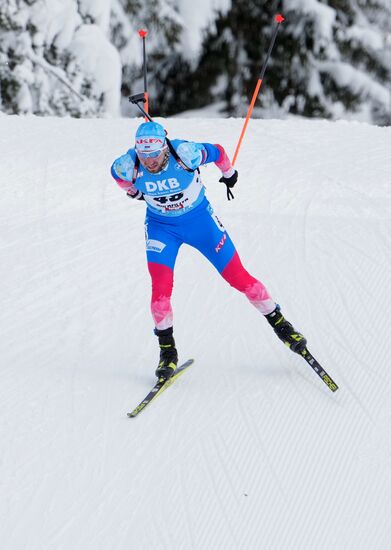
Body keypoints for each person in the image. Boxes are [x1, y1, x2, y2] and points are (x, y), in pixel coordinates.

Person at [111, 121, 307, 380]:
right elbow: (116, 175)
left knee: (239, 278)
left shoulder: (186, 153)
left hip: (200, 223)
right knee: (160, 292)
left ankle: (281, 325)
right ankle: (168, 353)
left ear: (164, 149)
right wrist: (133, 192)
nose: (149, 162)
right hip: (161, 229)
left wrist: (229, 173)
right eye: (144, 155)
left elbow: (218, 151)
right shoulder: (128, 164)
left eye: (154, 155)